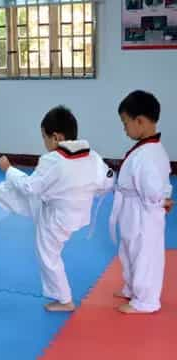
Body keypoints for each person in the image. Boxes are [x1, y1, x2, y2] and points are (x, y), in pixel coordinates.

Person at [0, 106, 115, 311]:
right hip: (74, 213)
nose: (43, 142)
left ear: (56, 137)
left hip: (55, 219)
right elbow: (107, 181)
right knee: (15, 191)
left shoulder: (53, 159)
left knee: (48, 255)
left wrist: (7, 168)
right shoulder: (92, 156)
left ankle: (65, 300)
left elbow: (29, 186)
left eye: (44, 137)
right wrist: (86, 192)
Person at [110, 90, 173, 314]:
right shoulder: (145, 149)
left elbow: (155, 187)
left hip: (143, 212)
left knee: (144, 253)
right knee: (127, 250)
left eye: (125, 123)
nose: (124, 128)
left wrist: (159, 200)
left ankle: (146, 300)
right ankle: (131, 287)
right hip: (132, 209)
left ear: (141, 121)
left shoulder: (150, 153)